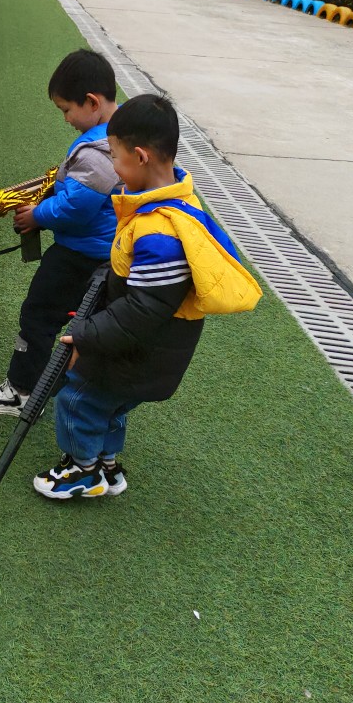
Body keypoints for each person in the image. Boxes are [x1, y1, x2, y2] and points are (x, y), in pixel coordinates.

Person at [33, 94, 261, 500]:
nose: (114, 170)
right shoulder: (177, 201)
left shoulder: (159, 231)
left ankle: (83, 470)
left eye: (115, 159)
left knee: (78, 400)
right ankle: (107, 464)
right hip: (149, 351)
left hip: (138, 352)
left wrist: (85, 334)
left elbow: (144, 309)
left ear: (140, 157)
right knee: (111, 406)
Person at [0, 48, 119, 414]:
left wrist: (37, 216)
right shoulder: (121, 134)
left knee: (38, 315)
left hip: (79, 255)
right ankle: (76, 391)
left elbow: (78, 207)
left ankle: (22, 392)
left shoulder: (99, 152)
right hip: (107, 255)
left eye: (66, 109)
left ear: (92, 102)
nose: (66, 119)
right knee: (87, 325)